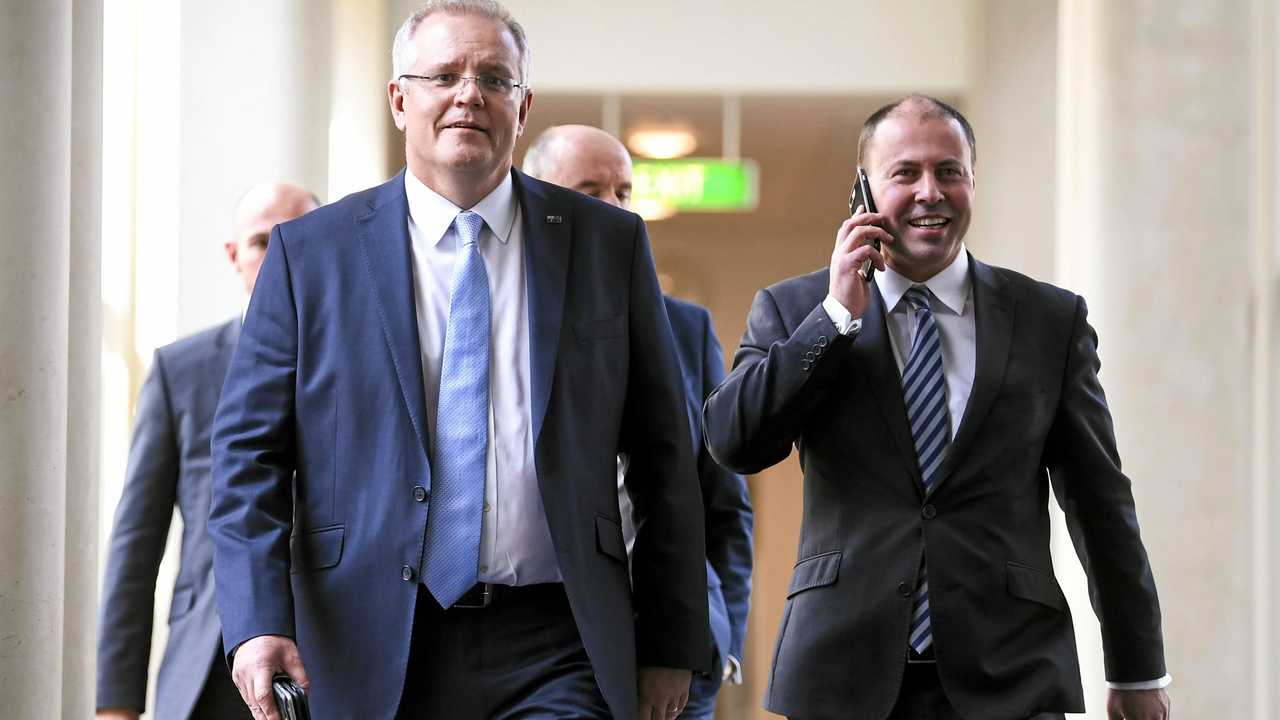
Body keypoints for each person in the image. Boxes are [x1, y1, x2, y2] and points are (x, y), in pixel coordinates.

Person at [208, 3, 710, 719]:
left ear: (523, 105)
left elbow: (668, 461)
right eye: (443, 75)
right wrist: (257, 620)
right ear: (398, 99)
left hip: (557, 636)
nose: (468, 94)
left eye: (494, 79)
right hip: (369, 635)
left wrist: (670, 640)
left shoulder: (607, 246)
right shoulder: (310, 256)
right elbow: (246, 457)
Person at [702, 95, 1172, 720]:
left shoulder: (1048, 321)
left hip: (1012, 674)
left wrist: (1138, 669)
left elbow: (1101, 501)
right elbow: (735, 442)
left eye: (949, 171)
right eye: (906, 173)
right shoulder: (796, 310)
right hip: (843, 674)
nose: (931, 192)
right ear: (864, 191)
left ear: (972, 181)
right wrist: (837, 316)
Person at [522, 124, 755, 720]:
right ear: (535, 200)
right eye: (589, 190)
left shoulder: (685, 327)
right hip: (551, 640)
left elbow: (721, 497)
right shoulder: (505, 320)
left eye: (624, 192)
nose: (615, 210)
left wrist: (720, 629)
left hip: (677, 646)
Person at [95, 183, 319, 720]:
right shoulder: (180, 371)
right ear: (233, 256)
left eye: (298, 239)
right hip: (208, 662)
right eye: (263, 241)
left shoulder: (363, 366)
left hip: (329, 658)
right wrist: (116, 701)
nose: (280, 255)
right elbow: (136, 544)